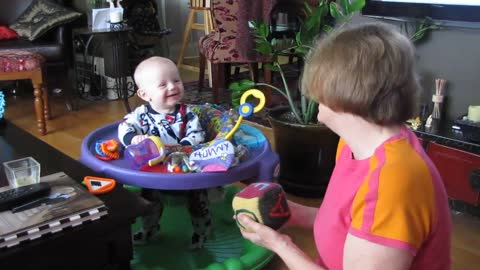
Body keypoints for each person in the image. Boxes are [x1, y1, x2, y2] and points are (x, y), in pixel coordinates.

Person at [237, 23, 452, 269]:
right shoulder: (353, 145)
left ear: (349, 92)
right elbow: (346, 224)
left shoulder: (394, 181)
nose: (313, 94)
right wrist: (290, 212)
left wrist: (279, 245)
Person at [118, 56, 210, 248]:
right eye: (163, 84)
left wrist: (180, 147)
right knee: (148, 202)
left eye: (176, 80)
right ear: (144, 94)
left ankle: (201, 233)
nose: (172, 87)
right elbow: (124, 128)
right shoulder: (140, 116)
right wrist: (133, 139)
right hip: (154, 171)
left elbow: (197, 135)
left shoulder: (187, 113)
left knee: (198, 201)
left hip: (185, 168)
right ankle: (149, 229)